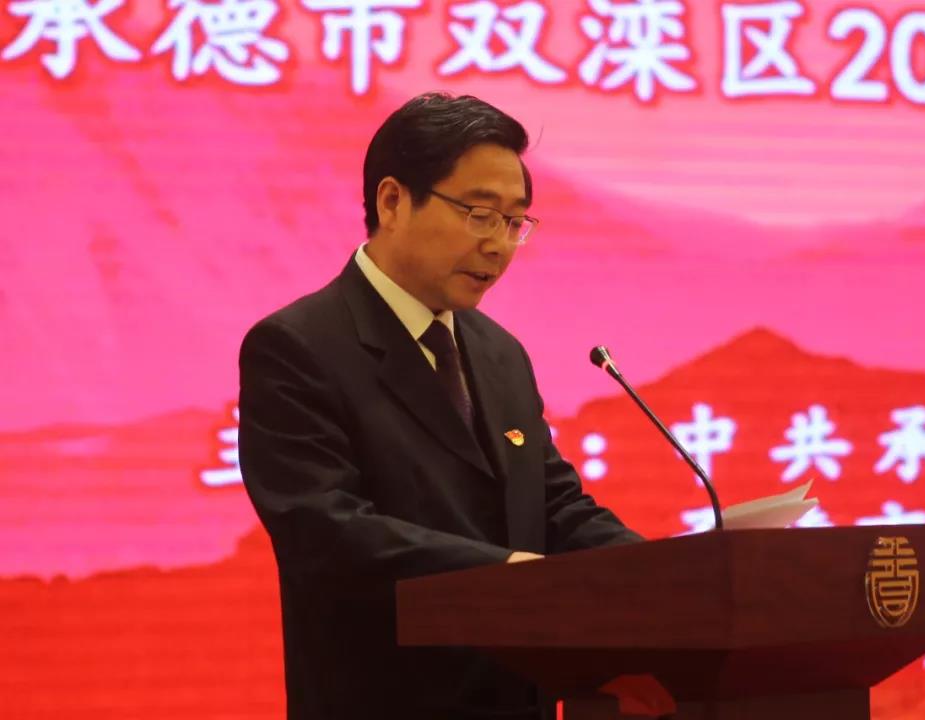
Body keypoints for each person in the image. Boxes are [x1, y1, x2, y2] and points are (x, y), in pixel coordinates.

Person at [238, 92, 644, 720]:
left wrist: (661, 573)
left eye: (515, 223)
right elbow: (324, 530)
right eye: (480, 214)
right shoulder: (297, 346)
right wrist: (506, 576)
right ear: (392, 201)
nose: (499, 245)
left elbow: (553, 505)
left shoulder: (499, 351)